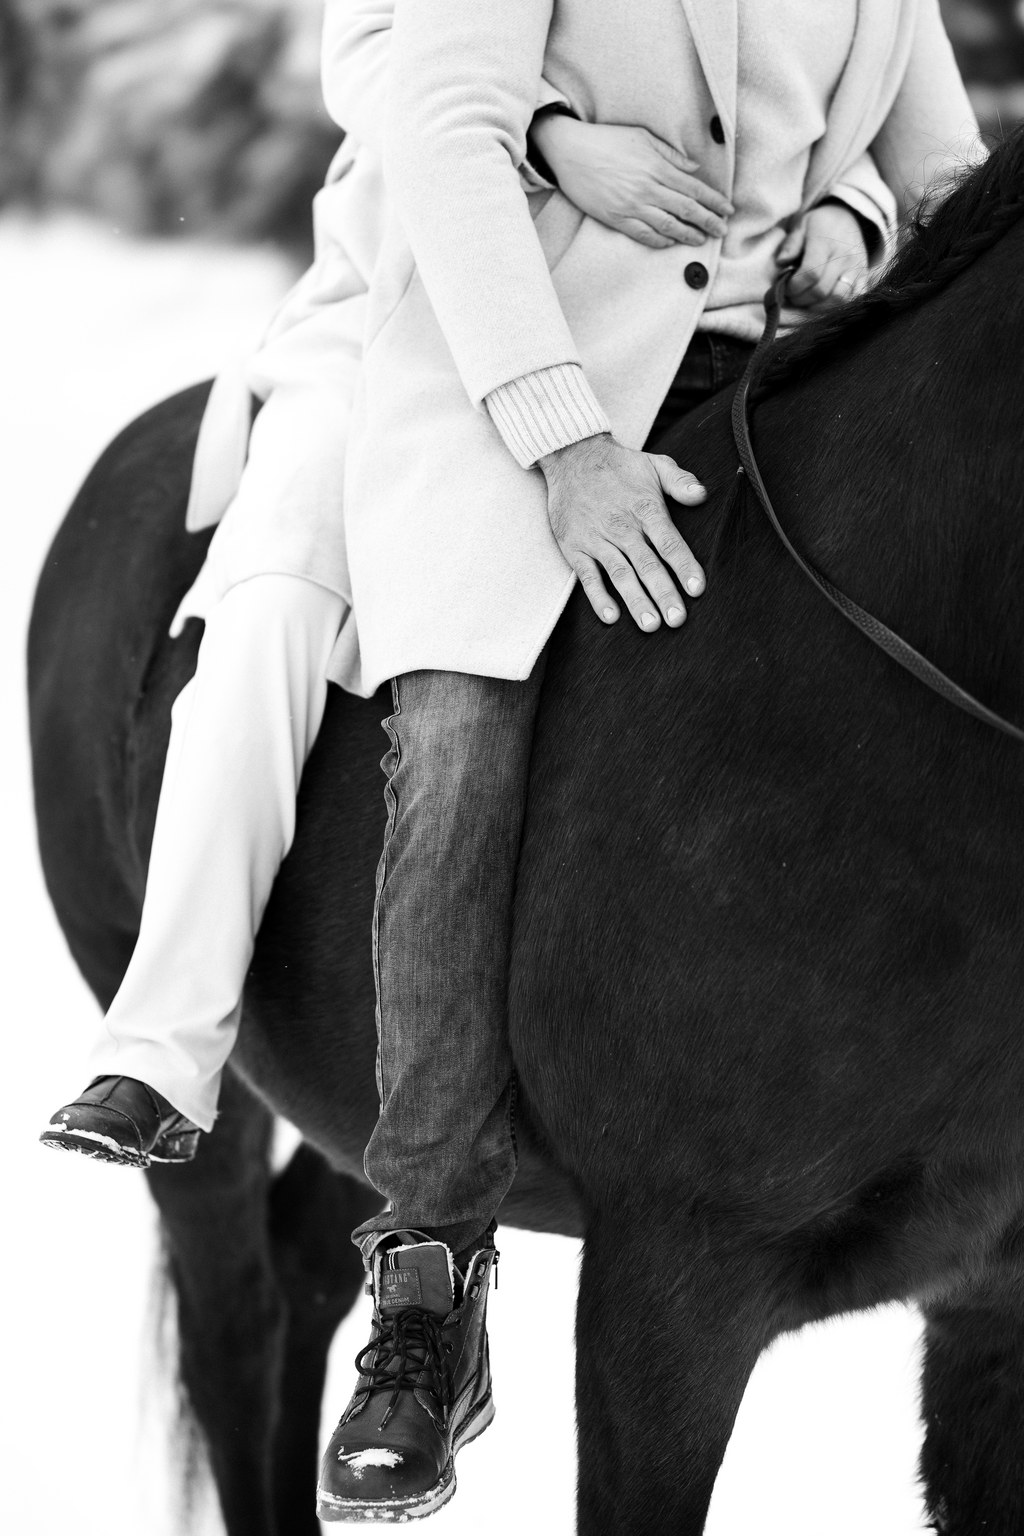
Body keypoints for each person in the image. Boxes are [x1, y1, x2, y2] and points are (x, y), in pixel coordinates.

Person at [46, 0, 979, 1524]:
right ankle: (430, 1273)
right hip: (528, 373)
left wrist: (859, 219)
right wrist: (568, 444)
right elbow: (439, 120)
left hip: (769, 387)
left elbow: (949, 184)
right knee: (455, 735)